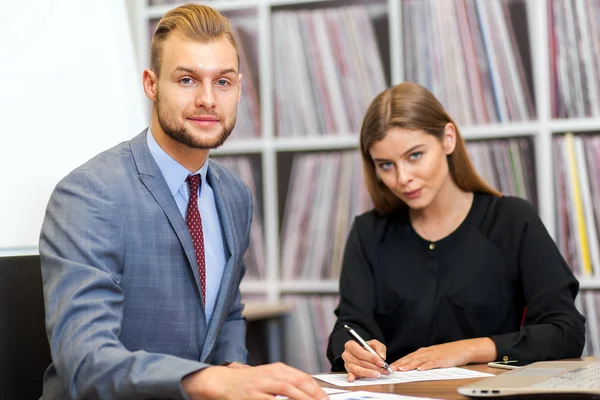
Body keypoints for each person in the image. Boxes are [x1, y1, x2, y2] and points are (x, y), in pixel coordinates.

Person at [39, 4, 327, 400]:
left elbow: (227, 314)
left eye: (223, 82)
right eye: (188, 79)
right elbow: (86, 360)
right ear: (151, 84)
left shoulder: (233, 193)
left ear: (239, 88)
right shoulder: (90, 194)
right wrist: (209, 381)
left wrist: (231, 369)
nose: (208, 99)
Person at [326, 82, 586, 382]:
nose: (402, 178)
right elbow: (349, 324)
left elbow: (565, 330)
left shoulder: (512, 219)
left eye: (414, 155)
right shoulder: (368, 232)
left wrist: (467, 350)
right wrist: (351, 350)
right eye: (385, 165)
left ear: (448, 139)